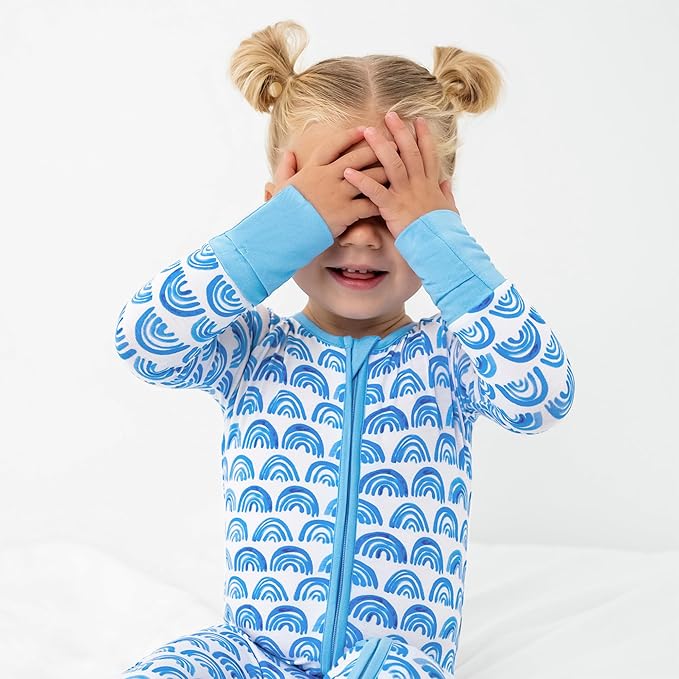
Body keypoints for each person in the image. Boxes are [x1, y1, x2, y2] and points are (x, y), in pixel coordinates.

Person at [115, 19, 575, 679]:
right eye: (334, 209)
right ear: (277, 210)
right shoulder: (250, 347)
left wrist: (438, 241)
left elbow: (542, 397)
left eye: (389, 211)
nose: (360, 237)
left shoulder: (454, 358)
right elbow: (145, 340)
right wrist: (287, 227)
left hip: (395, 661)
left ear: (442, 217)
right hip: (252, 650)